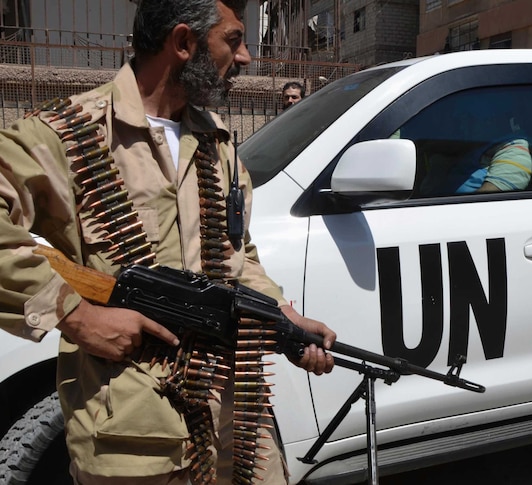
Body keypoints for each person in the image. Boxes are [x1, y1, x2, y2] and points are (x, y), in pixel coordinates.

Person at [0, 1, 335, 484]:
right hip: (132, 426)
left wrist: (283, 316)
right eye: (234, 40)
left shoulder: (217, 144)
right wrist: (76, 314)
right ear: (183, 43)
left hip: (231, 415)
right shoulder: (71, 133)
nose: (244, 59)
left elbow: (237, 259)